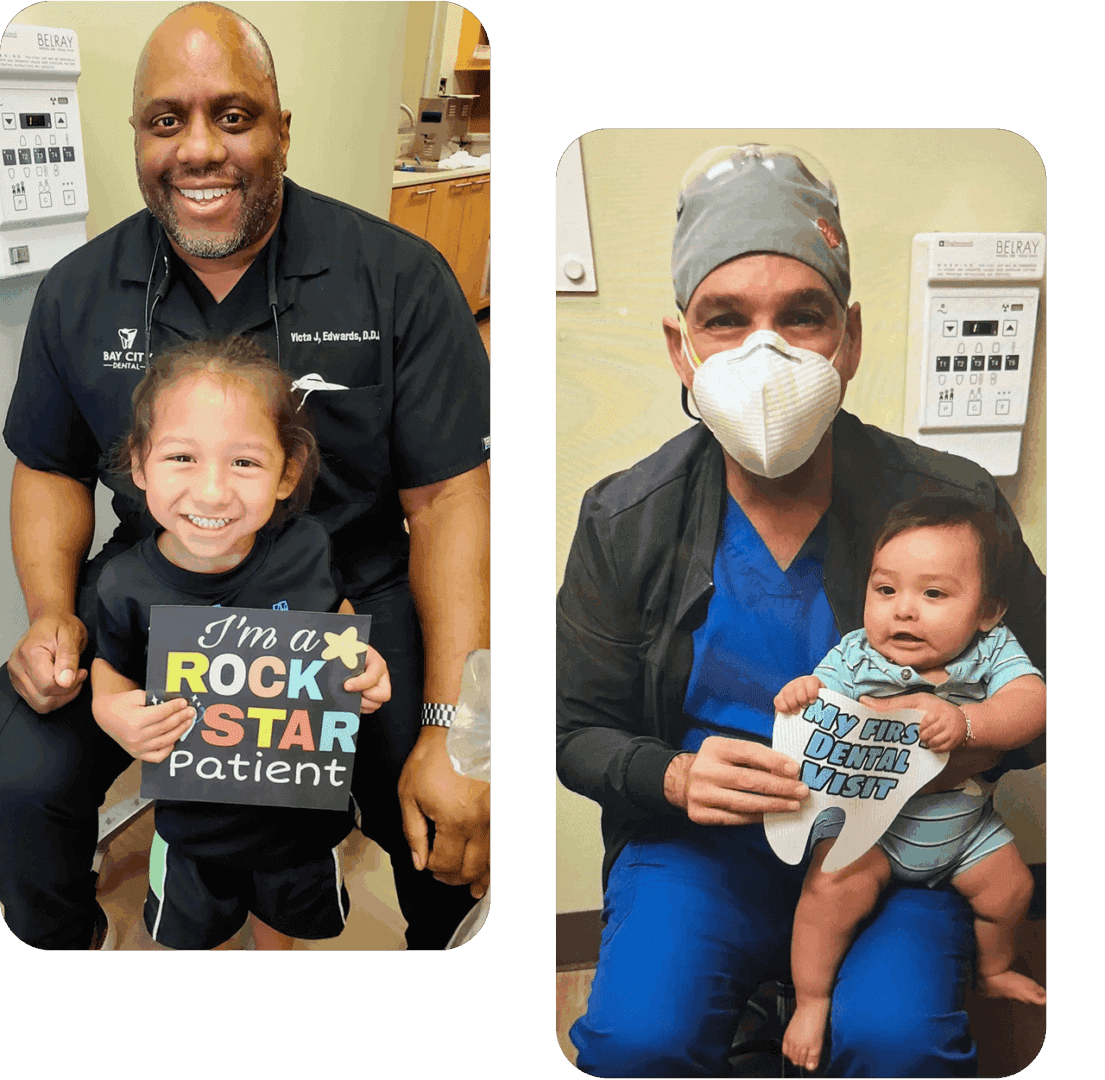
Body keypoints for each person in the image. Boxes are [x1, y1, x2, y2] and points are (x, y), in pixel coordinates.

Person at [0, 2, 489, 951]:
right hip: (154, 583)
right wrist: (52, 610)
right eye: (165, 121)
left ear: (280, 128)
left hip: (354, 587)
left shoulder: (398, 277)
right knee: (18, 780)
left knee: (445, 809)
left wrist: (452, 720)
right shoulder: (76, 292)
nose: (198, 151)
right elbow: (47, 466)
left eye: (232, 116)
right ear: (137, 136)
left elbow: (449, 498)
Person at [556, 144, 1046, 1076]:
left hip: (896, 843)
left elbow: (1042, 689)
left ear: (849, 339)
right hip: (702, 848)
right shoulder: (625, 520)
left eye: (804, 317)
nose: (766, 354)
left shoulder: (954, 506)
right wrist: (672, 779)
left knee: (897, 1044)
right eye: (725, 320)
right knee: (634, 1046)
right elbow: (571, 729)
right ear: (681, 350)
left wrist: (957, 740)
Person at [91, 336, 391, 951]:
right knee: (190, 933)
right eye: (182, 458)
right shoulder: (125, 582)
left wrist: (361, 665)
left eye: (245, 463)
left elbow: (336, 619)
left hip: (299, 821)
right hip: (191, 829)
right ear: (140, 464)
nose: (211, 493)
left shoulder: (306, 549)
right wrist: (109, 711)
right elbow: (111, 667)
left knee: (283, 924)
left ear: (287, 473)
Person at [772, 494, 1046, 1072]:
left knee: (1013, 889)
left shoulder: (991, 651)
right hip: (873, 832)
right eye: (886, 590)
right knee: (826, 893)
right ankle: (811, 1000)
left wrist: (970, 723)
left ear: (988, 610)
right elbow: (820, 700)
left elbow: (1031, 705)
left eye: (934, 594)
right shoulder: (857, 654)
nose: (903, 612)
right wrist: (803, 693)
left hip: (964, 830)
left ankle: (993, 969)